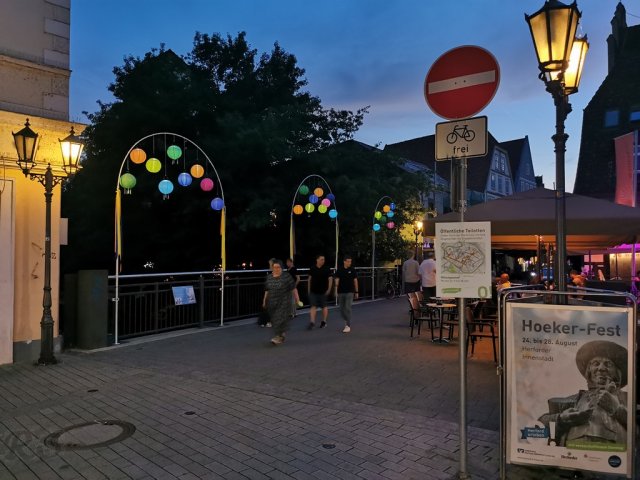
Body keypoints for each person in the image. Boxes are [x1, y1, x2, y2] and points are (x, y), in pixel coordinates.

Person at [538, 340, 628, 447]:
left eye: (608, 364)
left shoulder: (629, 399)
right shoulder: (572, 400)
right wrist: (561, 419)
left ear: (617, 372)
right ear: (589, 371)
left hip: (613, 453)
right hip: (573, 454)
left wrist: (617, 409)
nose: (601, 368)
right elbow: (539, 426)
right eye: (596, 363)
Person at [262, 259, 296, 345]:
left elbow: (293, 288)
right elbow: (267, 290)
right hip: (273, 302)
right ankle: (281, 335)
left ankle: (278, 337)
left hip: (284, 301)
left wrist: (297, 298)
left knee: (279, 318)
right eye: (274, 267)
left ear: (281, 268)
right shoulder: (269, 277)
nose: (276, 269)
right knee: (275, 319)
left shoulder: (286, 276)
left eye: (278, 267)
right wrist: (264, 300)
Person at [333, 255, 359, 333]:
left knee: (347, 307)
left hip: (350, 291)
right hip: (341, 291)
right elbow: (337, 280)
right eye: (348, 261)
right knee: (342, 309)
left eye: (350, 261)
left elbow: (355, 281)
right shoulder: (339, 270)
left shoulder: (352, 270)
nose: (349, 263)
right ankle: (347, 319)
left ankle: (348, 325)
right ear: (344, 261)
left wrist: (356, 291)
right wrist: (335, 290)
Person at [307, 254, 333, 329]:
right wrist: (308, 290)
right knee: (313, 306)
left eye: (324, 259)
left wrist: (329, 289)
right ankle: (312, 322)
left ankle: (324, 321)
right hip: (313, 291)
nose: (323, 261)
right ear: (317, 260)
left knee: (324, 306)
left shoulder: (327, 268)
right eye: (321, 259)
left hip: (323, 291)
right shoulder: (312, 268)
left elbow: (330, 279)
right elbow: (309, 279)